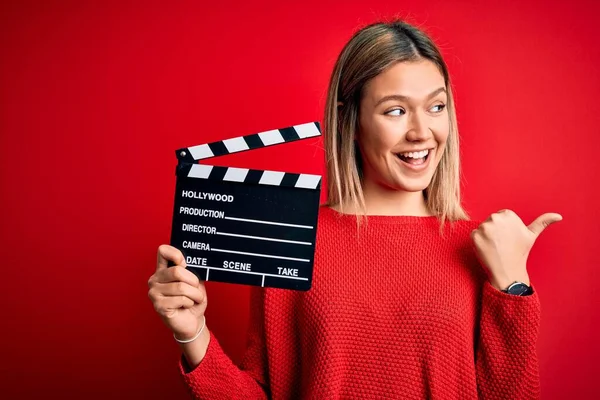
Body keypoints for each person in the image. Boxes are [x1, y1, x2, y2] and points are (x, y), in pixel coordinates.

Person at [147, 19, 562, 399]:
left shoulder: (481, 248)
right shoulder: (293, 238)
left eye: (437, 106)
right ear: (351, 121)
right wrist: (193, 334)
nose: (422, 131)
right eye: (395, 111)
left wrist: (513, 286)